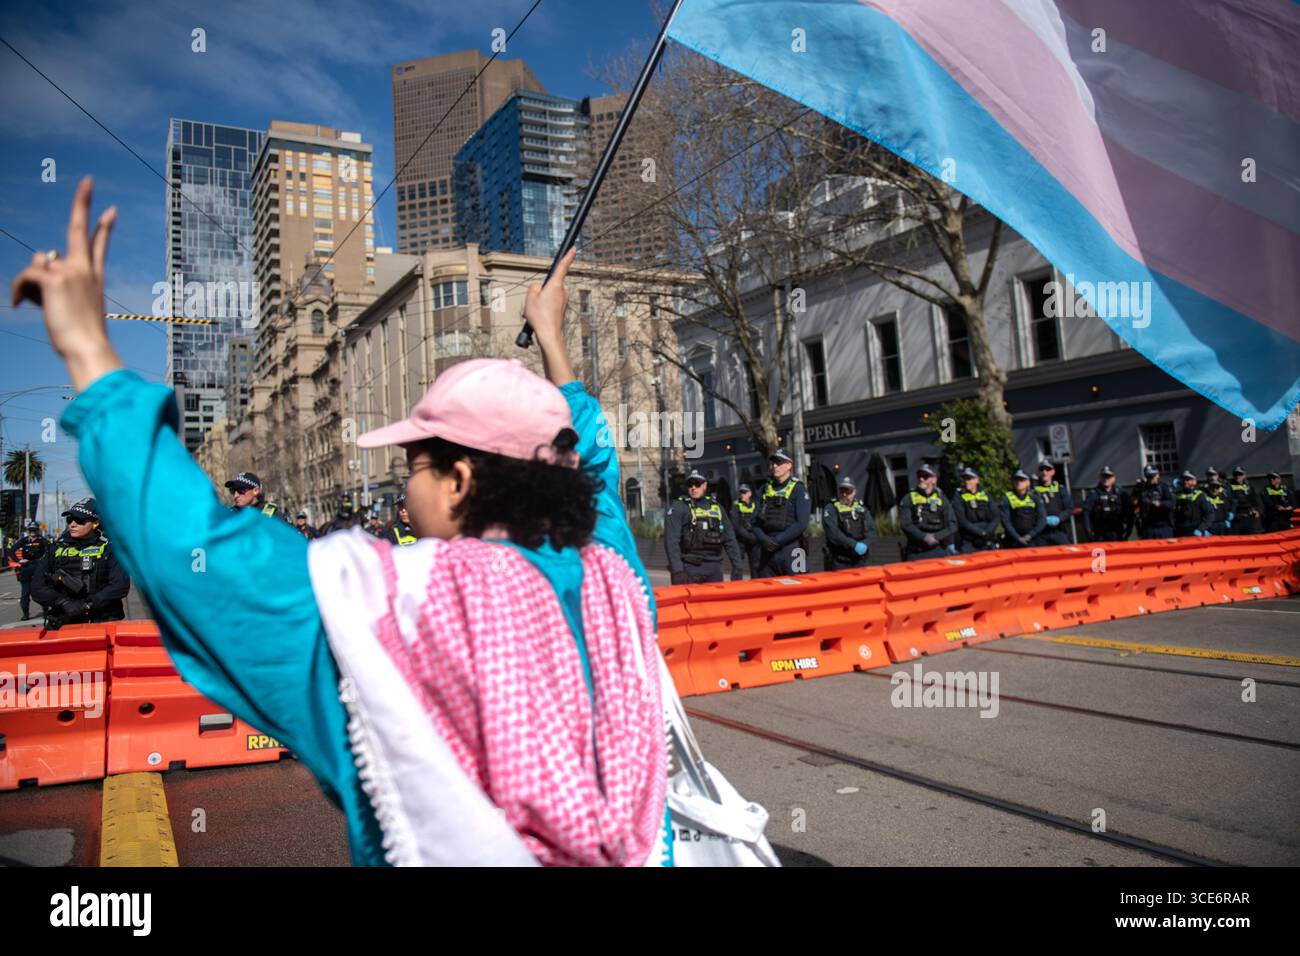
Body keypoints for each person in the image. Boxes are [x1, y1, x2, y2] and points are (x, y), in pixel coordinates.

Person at [12, 181, 668, 866]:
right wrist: (557, 346)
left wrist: (89, 351)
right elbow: (591, 459)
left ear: (460, 481)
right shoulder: (613, 575)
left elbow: (198, 554)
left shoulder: (394, 628)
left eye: (415, 465)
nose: (407, 492)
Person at [30, 497, 130, 629]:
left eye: (79, 520)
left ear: (95, 523)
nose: (72, 524)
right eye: (69, 519)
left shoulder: (111, 548)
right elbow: (37, 586)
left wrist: (86, 605)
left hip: (103, 623)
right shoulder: (55, 548)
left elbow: (119, 586)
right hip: (63, 623)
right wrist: (63, 603)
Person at [664, 470, 745, 584]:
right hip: (689, 567)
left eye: (697, 484)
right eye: (690, 484)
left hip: (715, 568)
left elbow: (729, 539)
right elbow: (671, 541)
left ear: (705, 485)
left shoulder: (717, 508)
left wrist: (737, 567)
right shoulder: (678, 508)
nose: (693, 487)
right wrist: (677, 571)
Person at [752, 448, 812, 577]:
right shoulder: (763, 489)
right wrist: (764, 540)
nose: (774, 466)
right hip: (767, 550)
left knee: (799, 590)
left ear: (789, 465)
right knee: (768, 592)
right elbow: (754, 521)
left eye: (779, 462)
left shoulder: (799, 489)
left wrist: (778, 540)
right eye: (773, 462)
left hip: (793, 549)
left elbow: (802, 523)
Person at [900, 463, 957, 560]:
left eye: (925, 476)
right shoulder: (909, 498)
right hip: (917, 552)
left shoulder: (942, 499)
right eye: (919, 476)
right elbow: (906, 524)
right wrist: (924, 537)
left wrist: (937, 537)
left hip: (939, 550)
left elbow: (952, 525)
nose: (921, 479)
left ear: (934, 479)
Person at [821, 474, 874, 570]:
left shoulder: (861, 509)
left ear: (854, 492)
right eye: (842, 490)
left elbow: (871, 530)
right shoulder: (831, 508)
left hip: (859, 560)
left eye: (847, 491)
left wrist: (865, 544)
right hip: (839, 561)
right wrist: (854, 545)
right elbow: (833, 533)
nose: (844, 494)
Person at [953, 467, 999, 552]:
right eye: (965, 479)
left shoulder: (985, 495)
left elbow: (996, 516)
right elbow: (962, 521)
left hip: (987, 538)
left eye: (970, 479)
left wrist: (989, 531)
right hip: (969, 540)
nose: (967, 481)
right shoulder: (959, 496)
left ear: (977, 480)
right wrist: (981, 533)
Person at [1000, 469, 1047, 548]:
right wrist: (1017, 537)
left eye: (1022, 480)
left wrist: (1030, 535)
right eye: (1016, 480)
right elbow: (1005, 521)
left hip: (1033, 538)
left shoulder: (1035, 497)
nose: (1018, 483)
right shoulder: (1007, 498)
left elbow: (1042, 519)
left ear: (1028, 482)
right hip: (1013, 539)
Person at [1082, 466, 1131, 542]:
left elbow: (1129, 512)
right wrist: (1088, 531)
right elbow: (1086, 513)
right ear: (1100, 477)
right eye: (1104, 476)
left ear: (1113, 478)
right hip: (1100, 534)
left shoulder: (1121, 494)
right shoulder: (1094, 494)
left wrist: (1128, 530)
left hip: (1117, 532)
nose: (1106, 479)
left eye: (1108, 476)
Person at [1030, 460, 1073, 546]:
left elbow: (1069, 508)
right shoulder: (1034, 491)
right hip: (1041, 532)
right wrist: (1041, 520)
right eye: (1042, 470)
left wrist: (1059, 518)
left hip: (1059, 530)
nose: (1044, 472)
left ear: (1053, 472)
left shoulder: (1060, 489)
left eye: (1047, 469)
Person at [14, 521, 49, 621]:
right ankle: (25, 613)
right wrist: (19, 560)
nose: (32, 532)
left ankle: (45, 611)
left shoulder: (42, 540)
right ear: (28, 531)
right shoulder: (24, 540)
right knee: (25, 594)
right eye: (30, 530)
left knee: (42, 591)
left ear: (37, 530)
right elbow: (11, 551)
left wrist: (44, 561)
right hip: (26, 568)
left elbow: (50, 551)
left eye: (34, 530)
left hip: (39, 568)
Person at [1134, 465, 1176, 539]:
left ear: (1157, 475)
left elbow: (1172, 502)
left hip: (1163, 526)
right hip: (1148, 527)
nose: (1151, 479)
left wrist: (1160, 504)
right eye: (1148, 477)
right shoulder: (1141, 489)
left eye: (1152, 476)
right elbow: (1134, 504)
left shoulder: (1163, 487)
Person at [729, 483, 759, 578]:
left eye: (744, 492)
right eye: (741, 492)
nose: (742, 494)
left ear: (750, 493)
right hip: (740, 540)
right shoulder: (735, 505)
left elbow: (758, 521)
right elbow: (735, 524)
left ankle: (757, 586)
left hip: (753, 539)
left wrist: (754, 535)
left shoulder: (755, 504)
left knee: (756, 565)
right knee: (737, 565)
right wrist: (747, 535)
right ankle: (736, 587)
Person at [1172, 470, 1212, 537]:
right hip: (1180, 532)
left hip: (1195, 532)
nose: (1185, 482)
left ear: (1194, 481)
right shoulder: (1177, 496)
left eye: (1188, 480)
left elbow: (1209, 514)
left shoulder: (1200, 496)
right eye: (1183, 479)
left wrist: (1201, 529)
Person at [1226, 467, 1263, 535]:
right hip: (1237, 519)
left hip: (1249, 518)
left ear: (1244, 475)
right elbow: (1228, 503)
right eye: (1235, 474)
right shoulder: (1229, 487)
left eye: (1240, 474)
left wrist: (1257, 511)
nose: (1238, 476)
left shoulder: (1249, 486)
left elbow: (1256, 501)